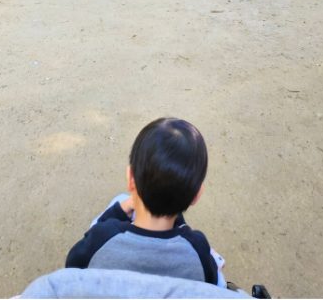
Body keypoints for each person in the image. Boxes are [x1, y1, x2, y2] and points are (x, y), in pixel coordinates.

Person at [65, 117, 226, 287]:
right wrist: (183, 228)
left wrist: (119, 210)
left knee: (119, 200)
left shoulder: (102, 237)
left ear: (130, 179)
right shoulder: (198, 247)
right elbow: (212, 283)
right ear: (196, 195)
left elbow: (72, 266)